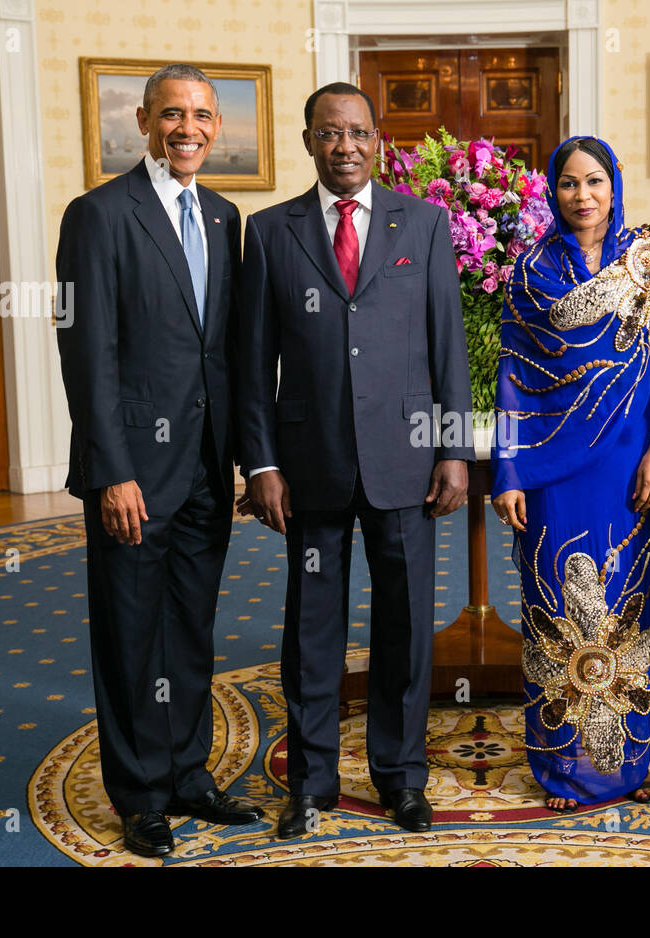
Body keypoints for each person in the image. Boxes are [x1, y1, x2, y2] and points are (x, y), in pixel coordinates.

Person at [235, 82, 473, 839]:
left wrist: (454, 450)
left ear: (379, 141)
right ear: (309, 140)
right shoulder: (270, 232)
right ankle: (309, 783)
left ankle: (401, 779)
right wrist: (261, 464)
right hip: (310, 467)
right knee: (312, 630)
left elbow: (447, 346)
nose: (345, 146)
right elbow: (251, 363)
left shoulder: (426, 223)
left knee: (404, 628)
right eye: (330, 133)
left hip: (406, 463)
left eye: (358, 133)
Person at [55, 64, 265, 858]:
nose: (188, 129)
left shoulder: (222, 216)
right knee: (131, 633)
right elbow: (89, 355)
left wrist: (249, 458)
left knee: (190, 630)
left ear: (217, 126)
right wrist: (111, 470)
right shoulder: (99, 215)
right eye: (172, 114)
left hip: (207, 467)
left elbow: (229, 351)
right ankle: (141, 795)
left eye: (202, 116)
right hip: (133, 473)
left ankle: (188, 775)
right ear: (143, 121)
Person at [491, 136, 650, 812]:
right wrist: (509, 470)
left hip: (630, 459)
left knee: (629, 600)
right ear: (553, 189)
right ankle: (563, 771)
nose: (582, 196)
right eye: (569, 184)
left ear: (615, 184)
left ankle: (621, 763)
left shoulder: (648, 262)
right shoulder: (531, 270)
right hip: (551, 465)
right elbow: (513, 374)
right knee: (556, 604)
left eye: (594, 182)